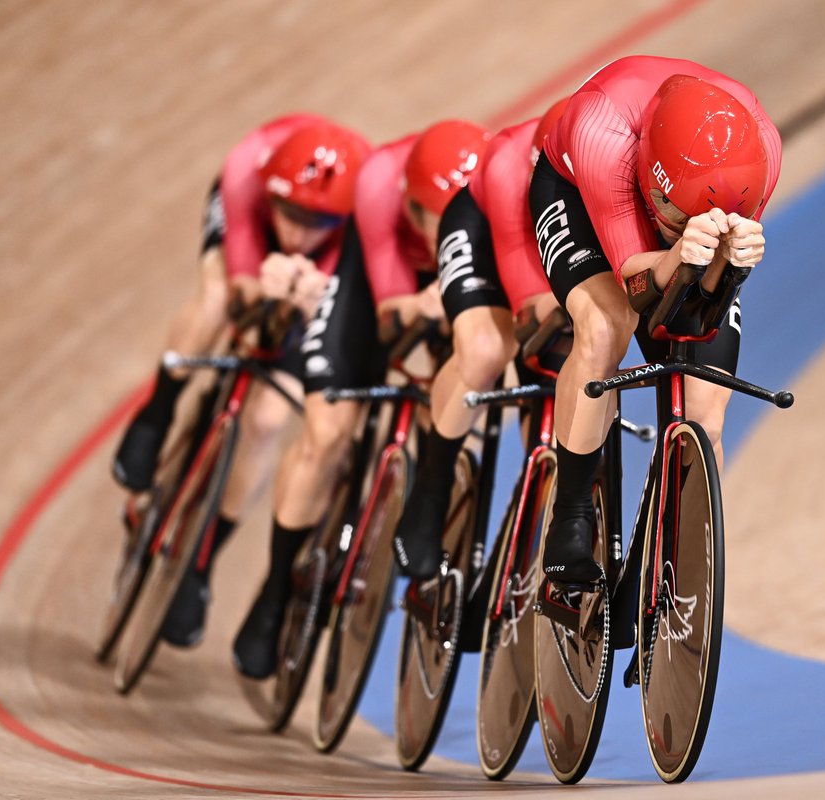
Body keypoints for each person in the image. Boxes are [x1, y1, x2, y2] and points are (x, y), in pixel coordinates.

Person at [231, 117, 492, 677]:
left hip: (450, 285)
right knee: (326, 435)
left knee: (458, 400)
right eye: (432, 224)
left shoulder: (483, 207)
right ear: (411, 206)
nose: (440, 238)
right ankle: (275, 591)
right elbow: (392, 317)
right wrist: (423, 306)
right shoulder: (379, 185)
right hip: (371, 284)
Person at [110, 114, 372, 649]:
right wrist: (258, 294)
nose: (298, 232)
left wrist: (304, 304)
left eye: (314, 221)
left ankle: (201, 560)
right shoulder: (246, 174)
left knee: (268, 418)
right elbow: (241, 289)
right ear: (272, 193)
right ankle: (159, 410)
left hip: (326, 264)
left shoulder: (359, 222)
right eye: (290, 214)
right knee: (214, 302)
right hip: (243, 228)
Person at [528, 55, 782, 585]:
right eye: (676, 216)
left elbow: (703, 304)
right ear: (655, 185)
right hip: (581, 193)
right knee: (604, 327)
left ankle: (681, 578)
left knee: (706, 411)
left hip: (681, 200)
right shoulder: (605, 134)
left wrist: (730, 262)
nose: (679, 228)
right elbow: (635, 285)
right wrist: (675, 254)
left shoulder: (762, 148)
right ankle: (571, 514)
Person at [392, 100, 568, 580]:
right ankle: (430, 492)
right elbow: (523, 291)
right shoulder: (511, 163)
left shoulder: (611, 177)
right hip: (491, 229)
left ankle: (521, 541)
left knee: (573, 378)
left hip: (556, 237)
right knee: (488, 348)